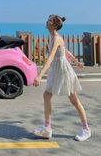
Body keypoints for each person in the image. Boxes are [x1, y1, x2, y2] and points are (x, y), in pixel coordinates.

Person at [33, 14, 91, 142]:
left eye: (49, 21)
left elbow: (50, 58)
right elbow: (66, 50)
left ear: (54, 25)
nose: (46, 22)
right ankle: (47, 128)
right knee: (47, 95)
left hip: (63, 71)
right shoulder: (52, 37)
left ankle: (86, 129)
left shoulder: (57, 38)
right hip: (56, 70)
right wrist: (76, 61)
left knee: (74, 100)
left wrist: (40, 75)